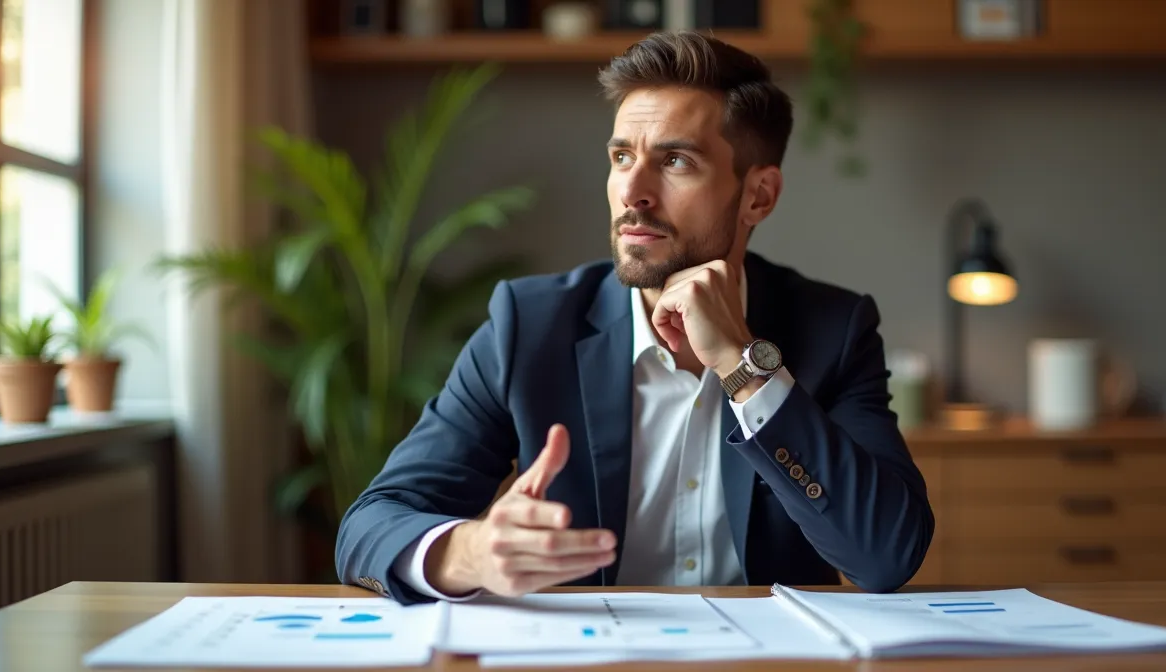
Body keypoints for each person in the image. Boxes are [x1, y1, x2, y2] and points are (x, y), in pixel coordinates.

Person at [335, 30, 934, 603]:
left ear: (759, 195)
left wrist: (745, 367)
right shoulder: (530, 325)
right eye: (623, 156)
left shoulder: (834, 328)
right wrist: (470, 553)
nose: (633, 191)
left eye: (675, 162)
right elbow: (370, 525)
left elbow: (887, 555)